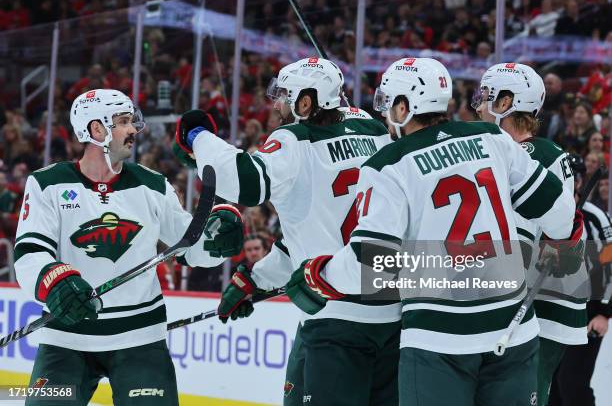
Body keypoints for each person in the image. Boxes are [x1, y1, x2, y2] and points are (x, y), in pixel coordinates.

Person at [284, 58, 582, 406]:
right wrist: (562, 240)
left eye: (387, 103)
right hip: (513, 330)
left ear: (404, 106)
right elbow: (561, 215)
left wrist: (319, 273)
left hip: (439, 339)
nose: (383, 114)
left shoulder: (389, 164)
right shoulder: (492, 137)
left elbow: (372, 265)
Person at [173, 57, 399, 406]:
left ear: (304, 102)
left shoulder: (296, 140)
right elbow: (313, 228)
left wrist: (197, 136)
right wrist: (256, 278)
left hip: (337, 318)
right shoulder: (375, 131)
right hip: (393, 314)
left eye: (282, 95)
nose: (276, 104)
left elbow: (244, 181)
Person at [14, 89, 243, 406]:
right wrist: (53, 282)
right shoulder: (47, 184)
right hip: (66, 338)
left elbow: (189, 246)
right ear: (96, 130)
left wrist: (217, 241)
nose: (134, 130)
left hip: (140, 338)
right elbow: (30, 254)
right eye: (123, 122)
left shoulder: (153, 184)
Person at [474, 62, 587, 406]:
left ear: (505, 102)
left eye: (484, 96)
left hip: (540, 304)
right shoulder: (523, 152)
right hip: (529, 299)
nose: (477, 105)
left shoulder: (535, 155)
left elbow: (526, 240)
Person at [548, 155, 612, 406]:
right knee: (552, 386)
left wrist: (604, 312)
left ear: (581, 180)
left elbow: (608, 266)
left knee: (572, 383)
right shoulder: (551, 213)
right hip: (557, 313)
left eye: (575, 176)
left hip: (587, 316)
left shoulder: (595, 217)